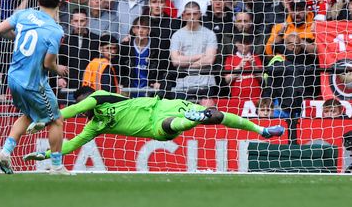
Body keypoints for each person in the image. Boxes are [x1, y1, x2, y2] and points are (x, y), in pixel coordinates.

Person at [23, 85, 284, 161]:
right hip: (155, 127)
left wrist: (47, 119)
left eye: (88, 105)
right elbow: (73, 145)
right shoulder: (95, 126)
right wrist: (46, 155)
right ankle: (191, 120)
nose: (86, 112)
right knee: (173, 125)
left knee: (215, 115)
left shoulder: (101, 98)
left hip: (162, 104)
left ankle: (262, 130)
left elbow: (74, 108)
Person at [0, 0, 70, 175]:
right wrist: (58, 69)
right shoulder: (55, 30)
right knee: (56, 121)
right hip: (33, 82)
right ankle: (56, 166)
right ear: (60, 2)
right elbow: (47, 63)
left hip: (13, 78)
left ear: (38, 0)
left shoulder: (24, 14)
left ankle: (4, 152)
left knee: (28, 115)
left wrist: (18, 37)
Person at [170, 1, 217, 102]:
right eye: (189, 14)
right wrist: (199, 56)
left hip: (205, 83)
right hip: (183, 85)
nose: (192, 17)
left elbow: (209, 60)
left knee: (208, 116)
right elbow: (175, 61)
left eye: (195, 14)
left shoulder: (210, 34)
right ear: (183, 15)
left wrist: (184, 63)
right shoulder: (177, 35)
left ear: (200, 14)